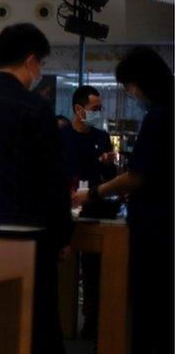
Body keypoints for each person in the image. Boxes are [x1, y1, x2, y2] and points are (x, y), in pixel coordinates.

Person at [0, 22, 97, 354]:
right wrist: (62, 236)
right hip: (27, 236)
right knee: (42, 324)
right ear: (30, 60)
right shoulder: (35, 109)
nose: (39, 71)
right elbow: (53, 180)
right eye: (40, 63)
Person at [74, 46, 173, 354]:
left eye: (129, 86)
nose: (130, 93)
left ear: (139, 82)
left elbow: (138, 176)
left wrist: (94, 193)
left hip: (156, 231)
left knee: (155, 318)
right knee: (153, 320)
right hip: (163, 227)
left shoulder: (158, 117)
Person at [62, 85, 117, 339]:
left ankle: (92, 321)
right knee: (64, 267)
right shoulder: (62, 138)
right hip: (67, 209)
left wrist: (108, 164)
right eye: (95, 109)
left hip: (96, 209)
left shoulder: (102, 137)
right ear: (78, 109)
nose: (98, 112)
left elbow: (110, 178)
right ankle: (63, 319)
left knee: (94, 270)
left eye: (100, 108)